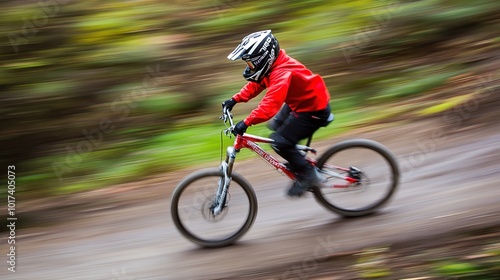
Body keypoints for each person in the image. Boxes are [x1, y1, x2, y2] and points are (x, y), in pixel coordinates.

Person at [222, 30, 332, 197]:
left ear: (264, 57)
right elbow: (256, 84)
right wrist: (234, 99)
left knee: (279, 142)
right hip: (300, 103)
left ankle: (308, 174)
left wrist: (246, 122)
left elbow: (269, 106)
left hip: (313, 109)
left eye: (251, 63)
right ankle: (297, 160)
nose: (249, 67)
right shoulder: (272, 66)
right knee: (275, 127)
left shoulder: (281, 72)